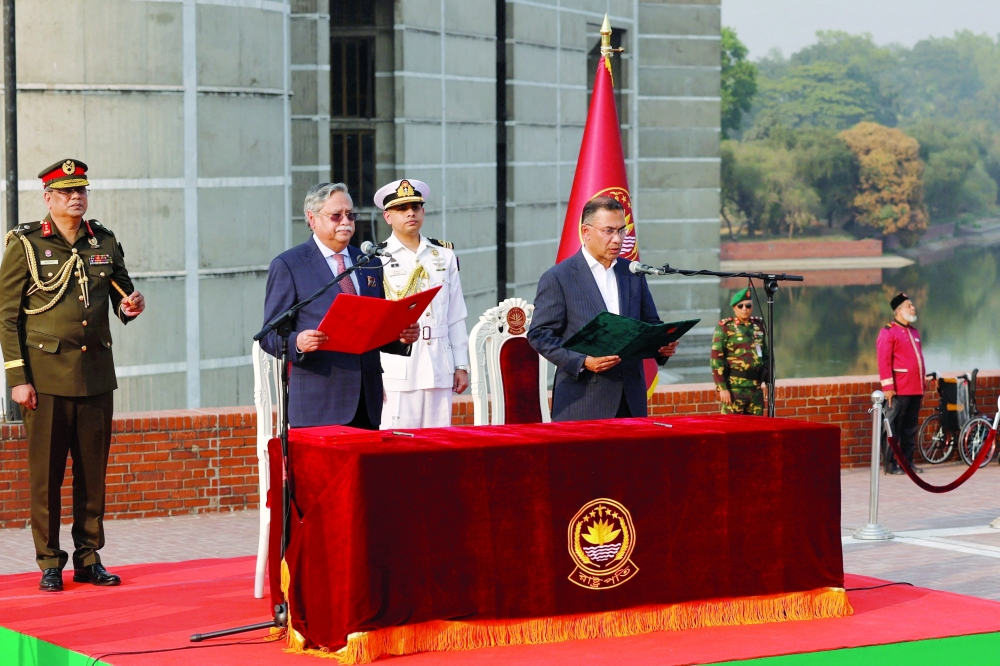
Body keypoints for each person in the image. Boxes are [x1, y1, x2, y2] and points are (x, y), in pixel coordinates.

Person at [0, 159, 146, 592]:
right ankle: (49, 561)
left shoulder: (102, 240)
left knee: (92, 475)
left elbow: (123, 293)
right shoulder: (26, 244)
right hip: (45, 379)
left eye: (80, 190)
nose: (75, 197)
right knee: (46, 476)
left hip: (96, 375)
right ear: (48, 198)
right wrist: (17, 378)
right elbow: (7, 318)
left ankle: (88, 557)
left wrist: (131, 307)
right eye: (65, 192)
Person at [260, 183, 419, 429]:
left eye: (350, 215)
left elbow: (376, 326)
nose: (345, 221)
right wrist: (298, 342)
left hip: (367, 399)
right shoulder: (290, 265)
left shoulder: (369, 262)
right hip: (319, 401)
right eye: (336, 215)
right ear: (312, 219)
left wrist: (401, 336)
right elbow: (269, 335)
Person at [528, 196, 678, 422]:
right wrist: (583, 360)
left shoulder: (633, 272)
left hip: (631, 398)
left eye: (621, 231)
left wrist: (661, 344)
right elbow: (540, 335)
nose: (617, 239)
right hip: (583, 400)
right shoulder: (559, 277)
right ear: (586, 232)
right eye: (608, 231)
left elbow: (650, 322)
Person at [373, 179, 470, 429]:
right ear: (387, 216)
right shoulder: (377, 258)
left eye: (416, 207)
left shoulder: (444, 255)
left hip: (439, 362)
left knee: (438, 443)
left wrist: (461, 365)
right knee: (397, 444)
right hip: (398, 366)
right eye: (402, 208)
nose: (410, 213)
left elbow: (456, 315)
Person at [877, 292, 931, 474]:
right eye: (909, 306)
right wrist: (888, 388)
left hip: (914, 388)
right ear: (898, 311)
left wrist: (922, 381)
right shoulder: (889, 332)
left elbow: (918, 359)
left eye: (912, 305)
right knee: (894, 429)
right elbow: (884, 361)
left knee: (910, 429)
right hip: (899, 389)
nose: (913, 308)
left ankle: (907, 463)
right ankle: (891, 464)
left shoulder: (914, 332)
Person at [710, 288, 769, 415]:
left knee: (756, 429)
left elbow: (765, 355)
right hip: (734, 389)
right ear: (734, 308)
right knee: (731, 429)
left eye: (748, 305)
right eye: (740, 306)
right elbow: (716, 359)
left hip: (755, 388)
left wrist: (767, 382)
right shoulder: (725, 327)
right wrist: (722, 389)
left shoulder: (758, 325)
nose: (744, 309)